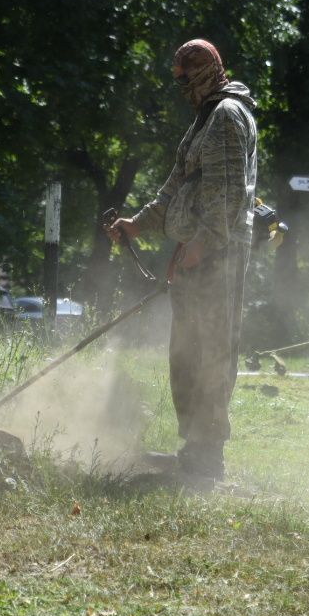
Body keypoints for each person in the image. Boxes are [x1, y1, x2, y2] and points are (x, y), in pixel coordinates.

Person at [107, 39, 257, 478]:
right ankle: (194, 448)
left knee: (211, 350)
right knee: (186, 350)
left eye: (186, 76)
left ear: (207, 70)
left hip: (219, 254)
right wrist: (136, 224)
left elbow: (227, 192)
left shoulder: (227, 116)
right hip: (198, 251)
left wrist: (205, 243)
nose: (182, 86)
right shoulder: (204, 120)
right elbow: (175, 188)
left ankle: (208, 458)